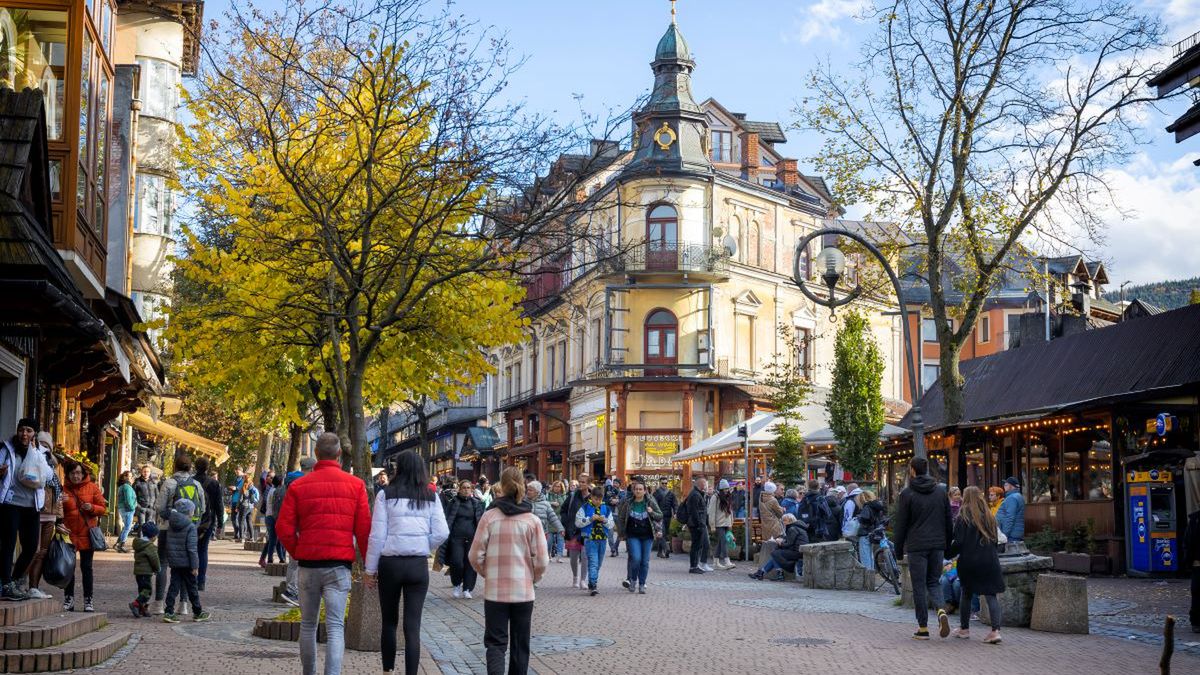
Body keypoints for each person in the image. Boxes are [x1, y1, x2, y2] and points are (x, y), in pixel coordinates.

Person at [277, 433, 372, 675]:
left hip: (309, 563)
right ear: (339, 454)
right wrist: (368, 565)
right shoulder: (356, 485)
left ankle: (309, 672)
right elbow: (364, 530)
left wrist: (297, 550)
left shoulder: (298, 486)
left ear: (316, 453)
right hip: (339, 564)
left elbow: (283, 527)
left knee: (308, 625)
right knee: (336, 626)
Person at [364, 450, 449, 675]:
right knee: (413, 626)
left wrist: (370, 569)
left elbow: (377, 535)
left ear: (398, 469)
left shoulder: (386, 494)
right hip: (417, 565)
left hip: (390, 564)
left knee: (389, 622)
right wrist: (424, 544)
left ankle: (388, 670)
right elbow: (442, 532)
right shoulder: (430, 495)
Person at [470, 467, 548, 675]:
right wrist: (533, 577)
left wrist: (487, 572)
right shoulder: (532, 520)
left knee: (495, 643)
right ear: (523, 485)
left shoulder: (489, 517)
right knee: (520, 643)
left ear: (502, 486)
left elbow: (474, 555)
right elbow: (542, 560)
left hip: (495, 591)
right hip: (523, 590)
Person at [893, 457, 953, 641]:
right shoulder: (940, 491)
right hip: (937, 544)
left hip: (917, 545)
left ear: (912, 470)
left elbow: (901, 524)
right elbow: (948, 520)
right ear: (926, 469)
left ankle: (923, 627)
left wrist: (898, 550)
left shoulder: (907, 493)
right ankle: (941, 610)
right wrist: (947, 545)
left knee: (919, 585)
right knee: (934, 581)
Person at [948, 486, 1005, 644]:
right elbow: (996, 541)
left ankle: (964, 629)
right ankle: (995, 631)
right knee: (991, 595)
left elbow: (958, 542)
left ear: (966, 497)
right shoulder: (989, 516)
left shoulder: (963, 517)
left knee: (966, 593)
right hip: (990, 560)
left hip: (969, 561)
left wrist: (947, 553)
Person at [152, 454, 207, 615]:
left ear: (175, 466)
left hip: (167, 529)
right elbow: (202, 509)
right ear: (190, 468)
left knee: (163, 564)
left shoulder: (169, 483)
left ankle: (159, 603)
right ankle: (183, 605)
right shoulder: (196, 485)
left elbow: (159, 507)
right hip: (189, 529)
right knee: (186, 565)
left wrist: (171, 516)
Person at [0, 418, 45, 600]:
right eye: (21, 430)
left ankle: (15, 580)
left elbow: (48, 476)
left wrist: (40, 455)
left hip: (32, 506)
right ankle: (5, 584)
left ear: (35, 434)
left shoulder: (41, 452)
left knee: (31, 546)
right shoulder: (6, 449)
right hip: (10, 504)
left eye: (28, 430)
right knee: (8, 544)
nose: (24, 434)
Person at [61, 461, 107, 612]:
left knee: (87, 568)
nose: (76, 476)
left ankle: (88, 600)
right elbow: (57, 511)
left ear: (83, 474)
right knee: (69, 567)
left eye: (78, 473)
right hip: (68, 534)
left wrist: (92, 507)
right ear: (68, 474)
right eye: (73, 473)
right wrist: (59, 504)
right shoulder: (63, 489)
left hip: (87, 533)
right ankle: (69, 599)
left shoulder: (92, 487)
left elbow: (103, 508)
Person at [26, 431, 62, 600]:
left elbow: (58, 495)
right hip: (36, 511)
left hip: (51, 515)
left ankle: (34, 586)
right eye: (41, 444)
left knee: (43, 552)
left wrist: (60, 518)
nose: (44, 448)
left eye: (47, 445)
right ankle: (18, 582)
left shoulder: (53, 467)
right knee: (33, 550)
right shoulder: (33, 462)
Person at [162, 499, 209, 623]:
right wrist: (195, 566)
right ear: (189, 512)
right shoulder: (190, 526)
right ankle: (197, 612)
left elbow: (169, 543)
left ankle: (168, 611)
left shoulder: (171, 524)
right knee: (192, 588)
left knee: (173, 587)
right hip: (187, 563)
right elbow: (192, 548)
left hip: (175, 562)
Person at [281, 456, 317, 607]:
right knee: (301, 561)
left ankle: (290, 589)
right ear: (311, 469)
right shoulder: (305, 483)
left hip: (293, 525)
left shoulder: (290, 481)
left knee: (293, 561)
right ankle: (294, 591)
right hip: (303, 527)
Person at [615, 479, 662, 593]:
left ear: (645, 491)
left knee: (645, 561)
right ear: (633, 490)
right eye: (636, 489)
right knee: (636, 559)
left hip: (648, 536)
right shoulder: (628, 502)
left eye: (640, 489)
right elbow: (621, 518)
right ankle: (633, 580)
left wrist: (651, 512)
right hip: (633, 535)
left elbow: (660, 515)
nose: (638, 491)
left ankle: (641, 584)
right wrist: (621, 533)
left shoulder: (650, 501)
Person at [444, 479, 484, 599]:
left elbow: (480, 521)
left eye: (468, 488)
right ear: (459, 489)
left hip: (472, 538)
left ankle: (467, 588)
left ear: (471, 490)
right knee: (457, 562)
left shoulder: (476, 503)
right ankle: (457, 584)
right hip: (456, 537)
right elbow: (448, 518)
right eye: (463, 488)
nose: (466, 490)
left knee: (470, 563)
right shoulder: (453, 502)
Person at [575, 486, 614, 595]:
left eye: (600, 499)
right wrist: (590, 519)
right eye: (596, 499)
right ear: (591, 497)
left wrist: (604, 520)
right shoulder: (585, 507)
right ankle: (593, 585)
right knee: (593, 562)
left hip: (602, 539)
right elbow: (578, 522)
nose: (598, 501)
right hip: (589, 539)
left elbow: (611, 524)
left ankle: (591, 582)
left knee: (598, 563)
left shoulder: (606, 508)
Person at [193, 457, 224, 591]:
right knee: (203, 549)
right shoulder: (214, 483)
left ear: (195, 467)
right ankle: (201, 581)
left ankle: (191, 579)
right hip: (208, 520)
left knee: (192, 549)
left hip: (192, 520)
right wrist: (220, 523)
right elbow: (219, 504)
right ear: (207, 468)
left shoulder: (191, 482)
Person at [748, 513, 808, 580]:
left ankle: (767, 573)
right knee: (776, 554)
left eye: (785, 520)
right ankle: (762, 573)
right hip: (798, 550)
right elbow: (790, 540)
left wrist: (780, 543)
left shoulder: (792, 529)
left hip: (797, 552)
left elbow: (789, 544)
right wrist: (782, 540)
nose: (783, 522)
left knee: (775, 554)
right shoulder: (796, 527)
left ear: (790, 520)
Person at [561, 475, 592, 588]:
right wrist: (566, 522)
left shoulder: (593, 497)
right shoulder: (573, 496)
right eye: (580, 482)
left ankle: (583, 580)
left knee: (585, 556)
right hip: (573, 530)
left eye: (583, 482)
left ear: (589, 484)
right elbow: (563, 510)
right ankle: (575, 577)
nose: (581, 484)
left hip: (587, 530)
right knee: (573, 557)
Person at [527, 481, 563, 567]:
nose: (528, 492)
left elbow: (553, 518)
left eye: (530, 490)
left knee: (539, 557)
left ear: (537, 492)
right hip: (527, 534)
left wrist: (560, 528)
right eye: (527, 490)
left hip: (541, 533)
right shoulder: (523, 503)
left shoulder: (545, 504)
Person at [130, 521, 159, 617]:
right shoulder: (150, 546)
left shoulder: (139, 544)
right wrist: (157, 568)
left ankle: (142, 609)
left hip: (138, 572)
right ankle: (136, 604)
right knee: (147, 591)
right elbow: (154, 559)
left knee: (142, 591)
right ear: (153, 536)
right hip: (146, 572)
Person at [684, 477, 712, 574]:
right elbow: (694, 512)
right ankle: (693, 566)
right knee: (696, 545)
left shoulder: (697, 494)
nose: (706, 486)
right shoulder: (695, 494)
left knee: (698, 545)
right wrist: (700, 524)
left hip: (698, 523)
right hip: (697, 524)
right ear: (701, 485)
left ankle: (695, 565)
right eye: (705, 484)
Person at [707, 479, 735, 570]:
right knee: (724, 541)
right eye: (725, 489)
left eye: (727, 488)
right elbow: (711, 512)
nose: (727, 490)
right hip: (718, 524)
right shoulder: (715, 497)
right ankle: (727, 561)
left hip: (726, 523)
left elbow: (730, 510)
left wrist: (731, 522)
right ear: (721, 489)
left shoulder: (728, 497)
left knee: (720, 542)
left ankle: (715, 562)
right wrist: (712, 525)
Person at [260, 474, 287, 566]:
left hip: (269, 516)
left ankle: (279, 558)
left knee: (273, 539)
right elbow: (276, 506)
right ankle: (271, 559)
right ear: (280, 482)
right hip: (273, 517)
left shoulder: (271, 489)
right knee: (273, 540)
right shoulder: (276, 491)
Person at [855, 490, 886, 570]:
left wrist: (859, 518)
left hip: (865, 534)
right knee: (870, 557)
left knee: (865, 558)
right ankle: (871, 575)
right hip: (873, 533)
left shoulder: (866, 507)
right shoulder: (877, 506)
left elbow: (865, 519)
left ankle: (868, 576)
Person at [1184, 504, 1200, 634]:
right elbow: (1188, 541)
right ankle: (1196, 621)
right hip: (1198, 563)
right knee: (1197, 592)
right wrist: (1189, 560)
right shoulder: (1195, 520)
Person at [995, 477, 1026, 542]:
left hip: (1011, 535)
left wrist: (1004, 535)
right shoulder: (1017, 496)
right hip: (1014, 533)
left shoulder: (1012, 498)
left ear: (1012, 486)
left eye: (1006, 484)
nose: (1004, 486)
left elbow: (1009, 518)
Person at [652, 481, 677, 559]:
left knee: (664, 533)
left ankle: (659, 552)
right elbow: (653, 504)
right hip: (659, 516)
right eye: (663, 483)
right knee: (661, 532)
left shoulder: (671, 493)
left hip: (667, 516)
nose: (664, 484)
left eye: (666, 483)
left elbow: (675, 504)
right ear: (660, 483)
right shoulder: (656, 493)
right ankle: (666, 548)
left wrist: (675, 512)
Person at [116, 471, 137, 553]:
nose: (130, 478)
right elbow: (128, 500)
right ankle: (121, 545)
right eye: (128, 476)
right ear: (124, 477)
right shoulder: (126, 487)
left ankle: (118, 544)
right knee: (127, 527)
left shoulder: (123, 486)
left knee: (126, 527)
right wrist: (132, 507)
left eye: (131, 476)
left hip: (123, 508)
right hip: (127, 509)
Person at [546, 480, 567, 561]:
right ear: (553, 486)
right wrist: (551, 503)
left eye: (559, 486)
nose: (557, 488)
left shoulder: (564, 496)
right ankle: (548, 555)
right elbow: (544, 503)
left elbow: (566, 506)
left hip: (560, 519)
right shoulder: (548, 495)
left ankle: (559, 556)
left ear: (561, 488)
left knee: (560, 539)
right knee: (549, 540)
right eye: (555, 486)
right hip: (550, 519)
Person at [133, 464, 158, 532]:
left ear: (150, 473)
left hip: (151, 508)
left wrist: (154, 506)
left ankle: (147, 539)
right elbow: (133, 496)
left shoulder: (153, 482)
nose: (146, 473)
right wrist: (138, 507)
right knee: (142, 526)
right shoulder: (137, 482)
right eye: (144, 471)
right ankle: (141, 538)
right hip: (141, 508)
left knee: (149, 527)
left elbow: (157, 495)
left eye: (147, 471)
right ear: (141, 472)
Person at [605, 478, 623, 557]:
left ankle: (615, 547)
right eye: (614, 483)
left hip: (620, 515)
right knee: (610, 534)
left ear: (619, 484)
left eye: (616, 483)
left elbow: (624, 501)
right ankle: (613, 550)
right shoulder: (609, 492)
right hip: (611, 515)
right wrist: (610, 501)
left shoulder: (623, 492)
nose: (615, 484)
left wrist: (618, 501)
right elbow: (605, 500)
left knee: (620, 533)